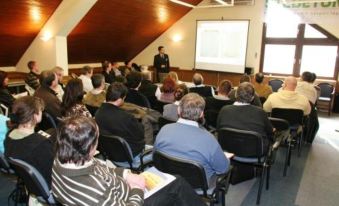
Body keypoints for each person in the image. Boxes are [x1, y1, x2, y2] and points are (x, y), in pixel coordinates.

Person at [52, 116, 206, 206]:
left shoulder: (63, 160)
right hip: (132, 199)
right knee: (177, 183)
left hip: (123, 189)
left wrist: (126, 174)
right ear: (90, 146)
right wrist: (137, 188)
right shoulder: (93, 190)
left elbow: (103, 169)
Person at [155, 93, 230, 183]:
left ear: (178, 110)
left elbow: (155, 156)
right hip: (199, 185)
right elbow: (223, 169)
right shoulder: (209, 139)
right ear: (201, 114)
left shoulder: (164, 129)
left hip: (169, 178)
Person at [4, 96, 55, 185]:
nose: (42, 112)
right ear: (34, 115)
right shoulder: (41, 144)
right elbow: (53, 170)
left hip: (30, 181)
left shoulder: (9, 135)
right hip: (49, 183)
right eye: (40, 110)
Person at [95, 83, 147, 158]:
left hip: (109, 154)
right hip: (129, 156)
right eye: (124, 98)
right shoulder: (126, 117)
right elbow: (141, 135)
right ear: (120, 99)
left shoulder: (98, 113)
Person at [217, 82, 274, 151]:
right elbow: (270, 132)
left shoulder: (224, 110)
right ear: (253, 97)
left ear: (235, 95)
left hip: (228, 148)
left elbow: (218, 129)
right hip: (255, 152)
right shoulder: (260, 112)